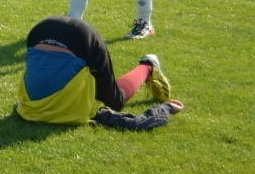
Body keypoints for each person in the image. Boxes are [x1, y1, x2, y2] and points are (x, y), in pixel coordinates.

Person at [17, 15, 183, 128]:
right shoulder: (26, 107)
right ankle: (148, 65)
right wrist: (166, 108)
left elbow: (140, 122)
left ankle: (148, 65)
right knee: (113, 100)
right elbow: (138, 123)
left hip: (65, 34)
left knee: (114, 101)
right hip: (45, 29)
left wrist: (168, 108)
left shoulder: (29, 109)